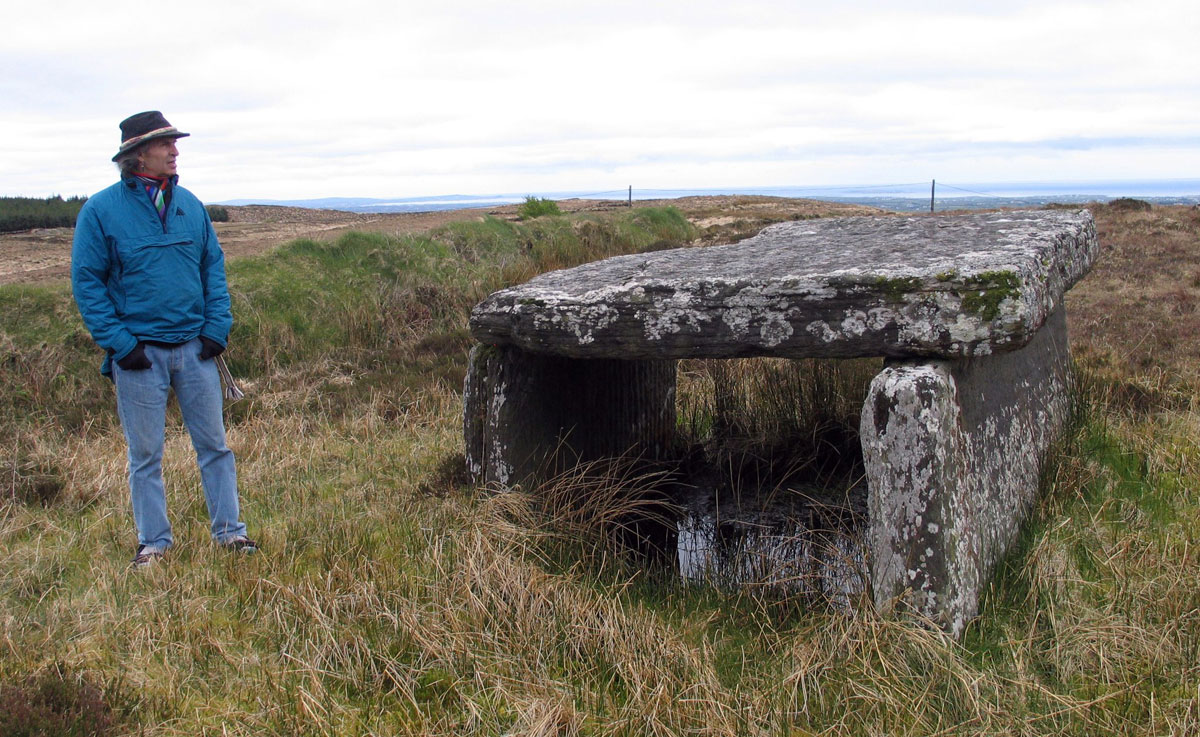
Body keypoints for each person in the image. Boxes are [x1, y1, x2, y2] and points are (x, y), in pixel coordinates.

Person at [71, 111, 257, 568]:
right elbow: (88, 285)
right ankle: (153, 544)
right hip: (139, 358)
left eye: (174, 143)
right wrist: (121, 345)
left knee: (215, 446)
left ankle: (231, 534)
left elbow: (212, 268)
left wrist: (216, 329)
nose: (175, 151)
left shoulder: (190, 205)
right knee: (146, 456)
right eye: (165, 144)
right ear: (138, 155)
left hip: (196, 351)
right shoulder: (100, 211)